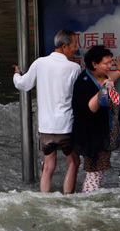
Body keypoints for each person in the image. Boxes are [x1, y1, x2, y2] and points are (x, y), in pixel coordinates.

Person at [13, 28, 81, 193]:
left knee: (48, 166)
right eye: (73, 45)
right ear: (64, 47)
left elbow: (23, 84)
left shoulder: (39, 63)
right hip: (65, 126)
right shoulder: (74, 68)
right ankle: (67, 198)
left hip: (46, 127)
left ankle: (44, 199)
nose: (76, 49)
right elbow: (78, 97)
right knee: (73, 163)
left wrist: (16, 74)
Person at [70, 45, 120, 193]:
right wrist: (104, 90)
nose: (110, 66)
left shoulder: (101, 77)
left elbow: (108, 79)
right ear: (94, 64)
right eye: (106, 63)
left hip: (101, 133)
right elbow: (90, 109)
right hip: (91, 136)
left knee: (98, 171)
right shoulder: (83, 82)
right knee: (94, 172)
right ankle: (88, 200)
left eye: (111, 62)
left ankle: (89, 198)